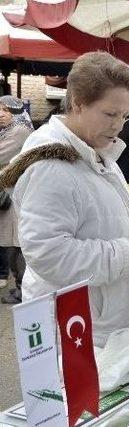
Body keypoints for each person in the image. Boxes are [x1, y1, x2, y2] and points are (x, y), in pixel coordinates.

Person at [0, 52, 129, 347]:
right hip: (75, 329)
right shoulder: (50, 165)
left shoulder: (96, 149)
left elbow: (88, 214)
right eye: (110, 114)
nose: (118, 125)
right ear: (78, 103)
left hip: (97, 322)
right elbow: (49, 253)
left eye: (124, 115)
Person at [0, 96, 32, 304]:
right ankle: (21, 287)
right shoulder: (9, 130)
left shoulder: (20, 131)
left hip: (15, 196)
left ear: (15, 112)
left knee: (18, 245)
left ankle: (24, 290)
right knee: (13, 244)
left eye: (5, 110)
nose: (1, 114)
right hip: (10, 193)